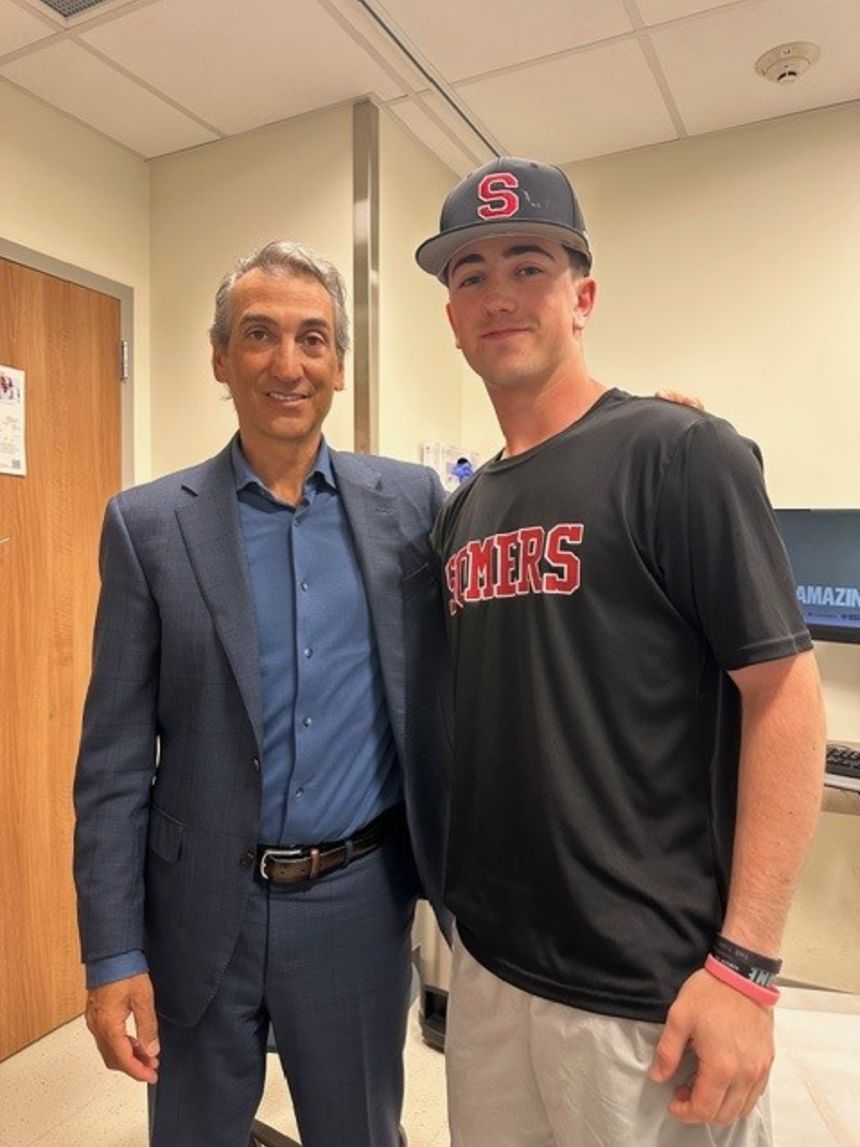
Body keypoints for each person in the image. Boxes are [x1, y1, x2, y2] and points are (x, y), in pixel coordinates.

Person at [415, 157, 826, 1146]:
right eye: (471, 274)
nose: (499, 294)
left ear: (583, 297)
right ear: (452, 318)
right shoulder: (463, 513)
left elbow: (785, 698)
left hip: (647, 994)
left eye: (529, 265)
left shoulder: (678, 454)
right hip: (490, 972)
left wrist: (746, 968)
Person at [73, 240, 452, 1147]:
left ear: (339, 365)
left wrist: (650, 434)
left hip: (358, 903)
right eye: (259, 335)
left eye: (313, 339)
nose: (289, 363)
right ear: (220, 357)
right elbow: (114, 764)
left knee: (360, 1132)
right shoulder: (148, 527)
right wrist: (113, 952)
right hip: (202, 906)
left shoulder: (413, 506)